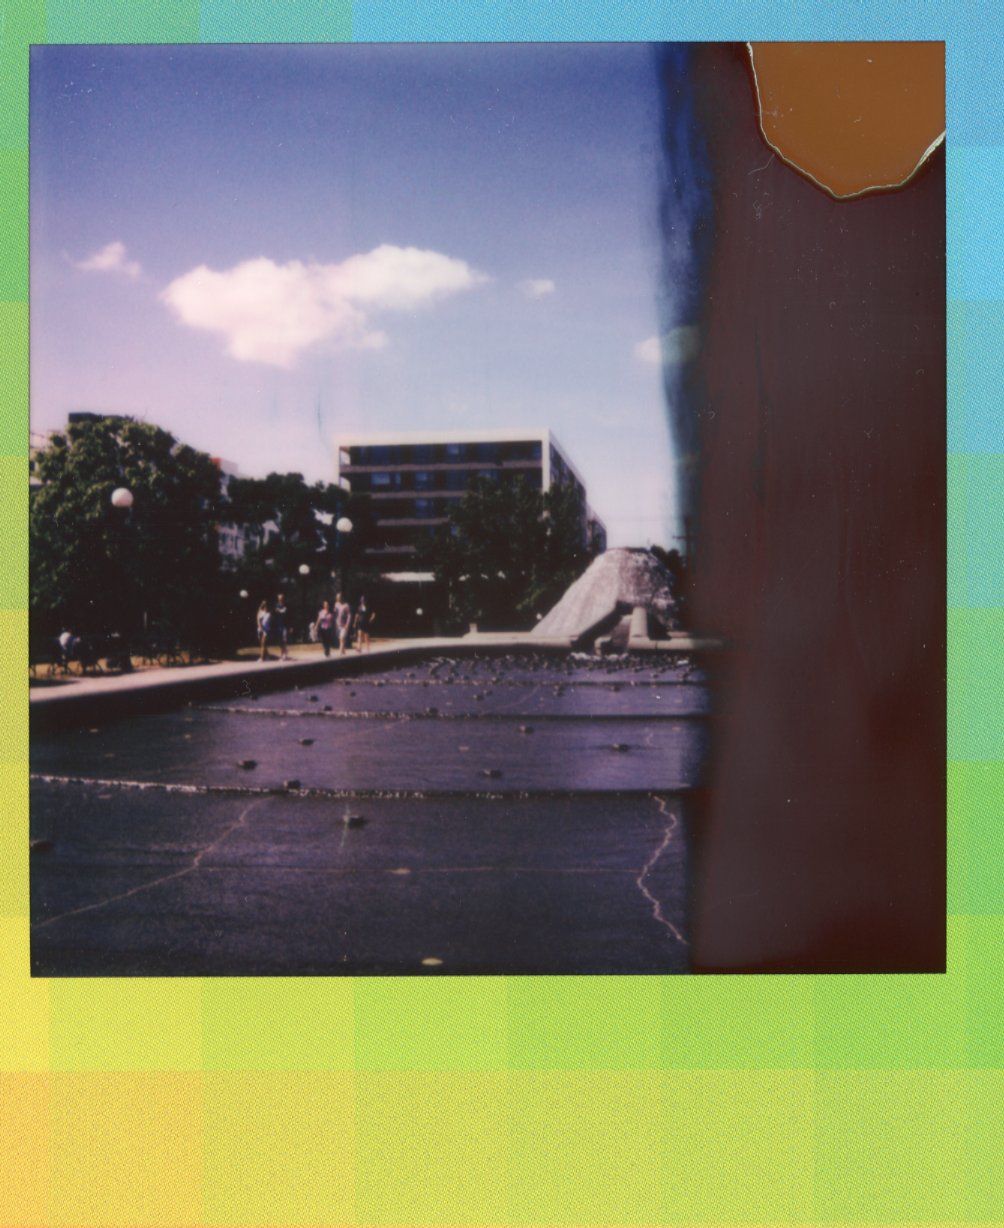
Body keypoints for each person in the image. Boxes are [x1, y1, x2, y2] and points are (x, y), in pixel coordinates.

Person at [333, 592, 352, 656]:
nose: (338, 598)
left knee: (342, 638)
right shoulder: (336, 604)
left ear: (342, 598)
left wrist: (347, 624)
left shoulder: (346, 605)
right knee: (340, 639)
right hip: (338, 625)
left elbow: (349, 615)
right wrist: (335, 624)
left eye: (339, 597)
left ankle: (340, 653)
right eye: (337, 597)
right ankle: (343, 652)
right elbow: (335, 615)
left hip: (344, 625)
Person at [272, 593, 289, 660]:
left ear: (283, 598)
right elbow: (275, 613)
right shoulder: (276, 605)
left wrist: (279, 611)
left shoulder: (285, 605)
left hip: (284, 625)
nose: (280, 599)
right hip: (278, 625)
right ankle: (284, 651)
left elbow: (284, 612)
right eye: (279, 598)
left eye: (281, 598)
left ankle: (283, 654)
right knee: (279, 641)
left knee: (284, 639)